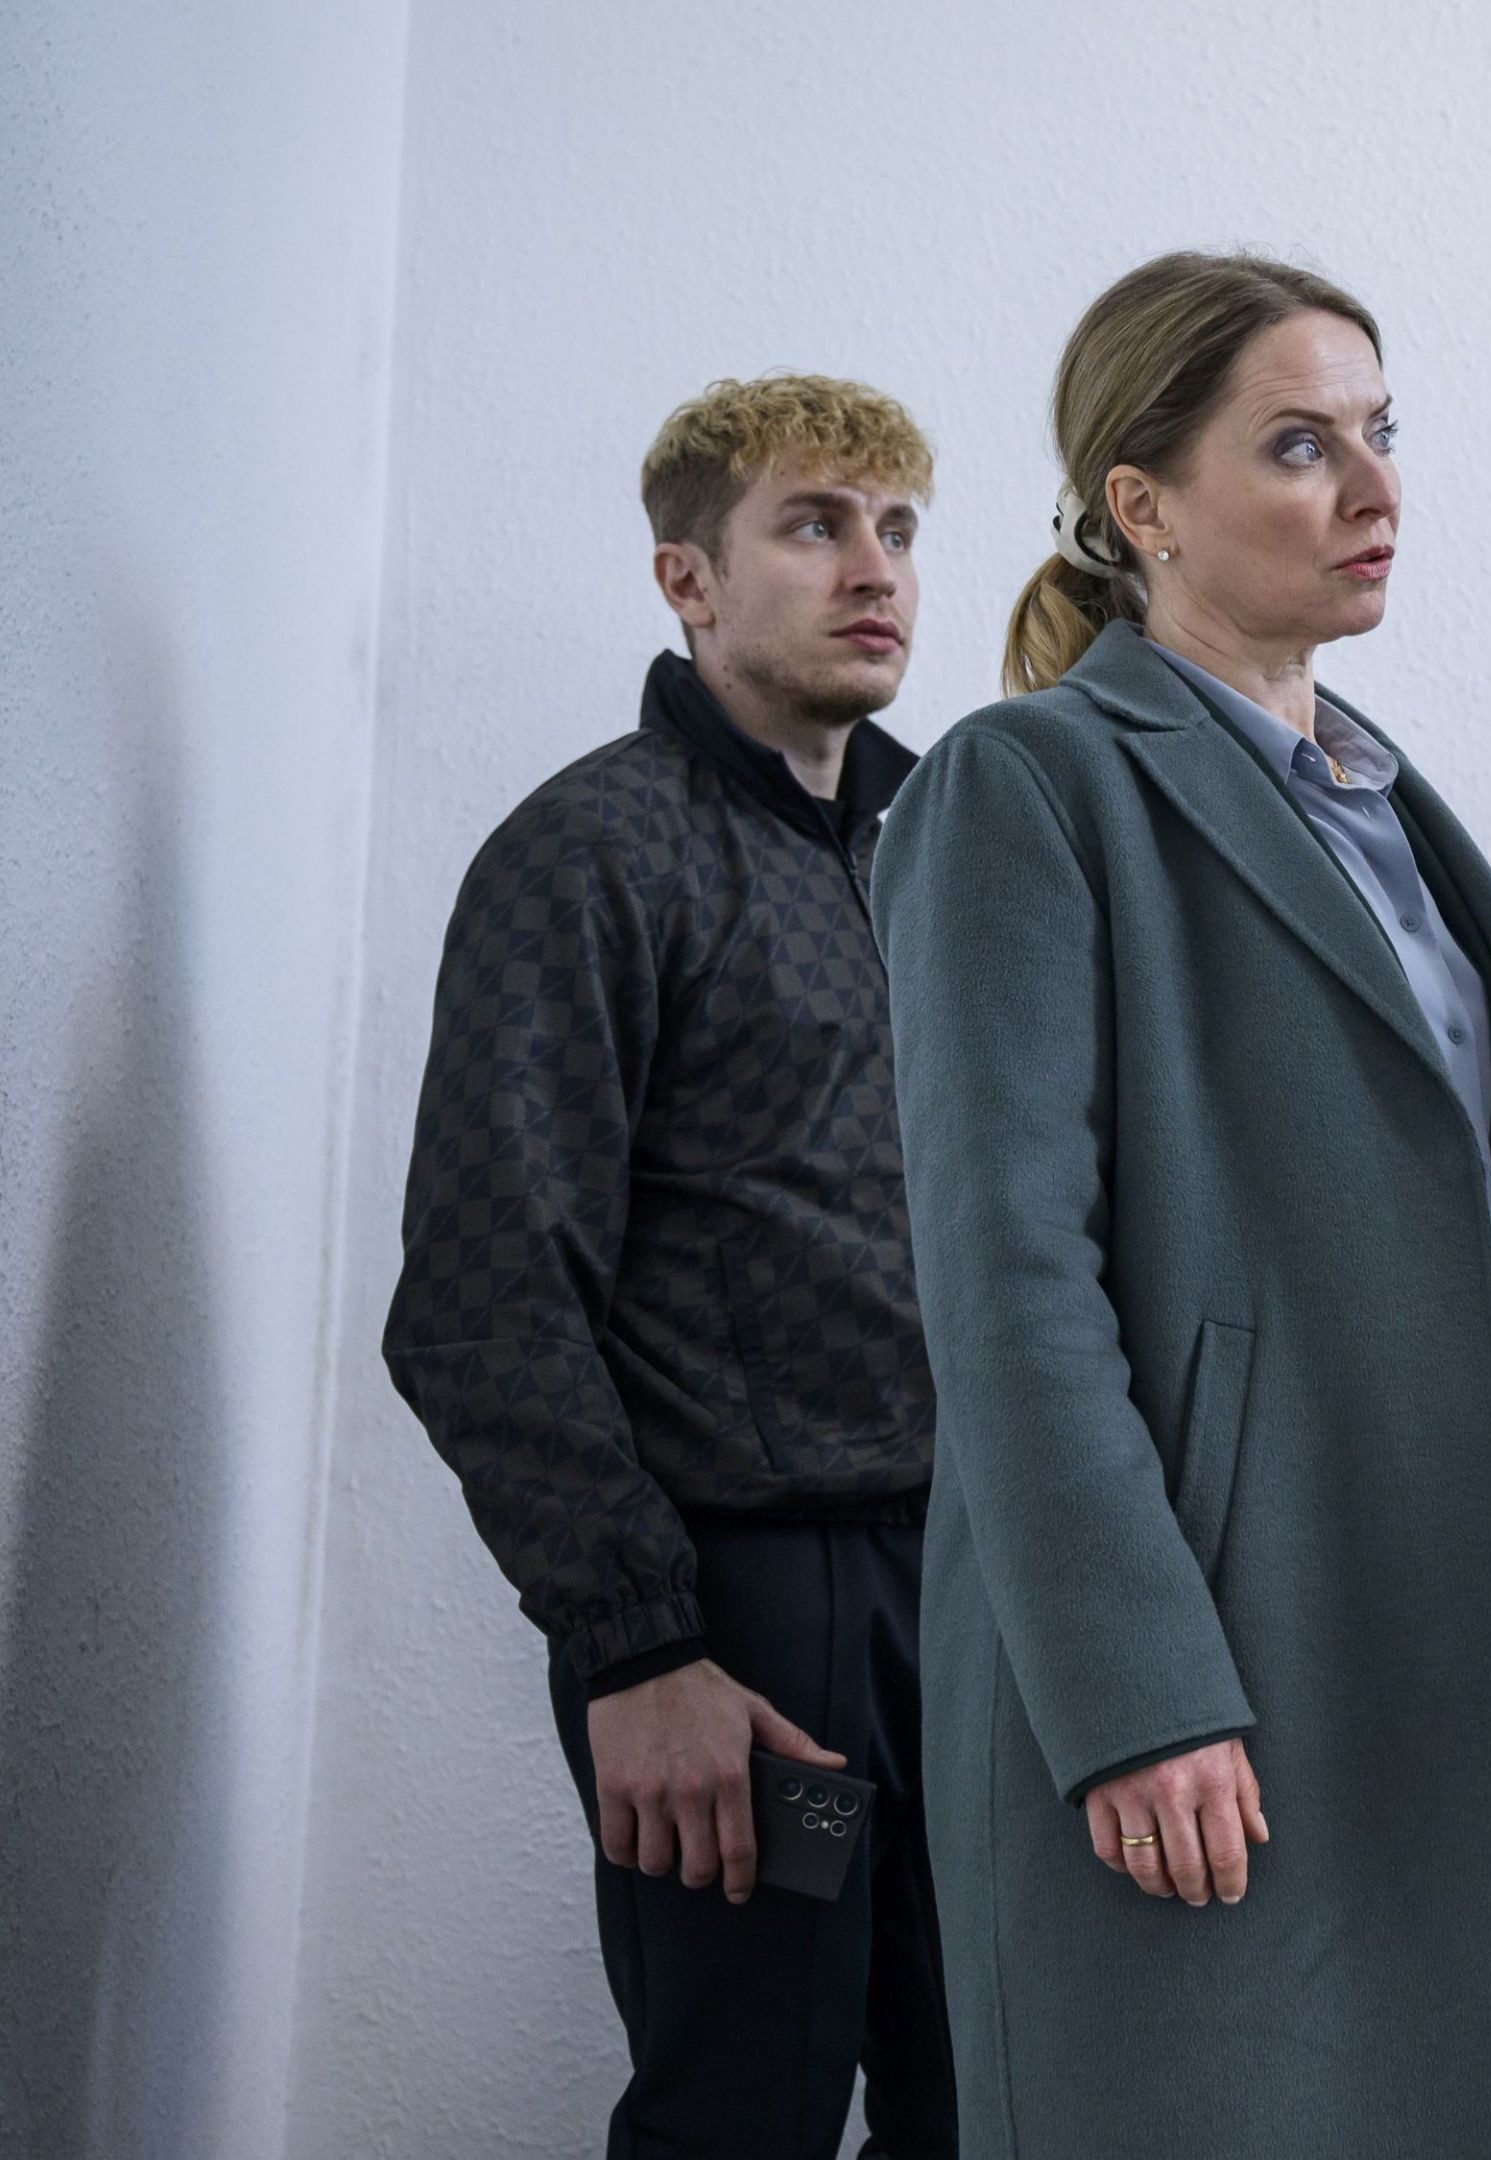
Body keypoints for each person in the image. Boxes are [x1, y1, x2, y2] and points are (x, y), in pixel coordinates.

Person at [872, 250, 1491, 2156]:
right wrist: (1133, 1690)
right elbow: (1009, 1278)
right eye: (1303, 445)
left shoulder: (1394, 811)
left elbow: (1448, 1201)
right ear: (1144, 503)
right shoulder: (1026, 785)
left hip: (1457, 1590)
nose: (1376, 487)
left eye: (1383, 433)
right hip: (1232, 1618)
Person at [384, 373, 953, 2157]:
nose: (876, 568)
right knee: (754, 2104)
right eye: (815, 525)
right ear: (685, 580)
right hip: (762, 1640)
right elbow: (481, 1298)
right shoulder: (594, 854)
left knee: (996, 2100)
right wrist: (641, 1651)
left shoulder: (943, 862)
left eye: (898, 529)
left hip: (973, 1603)